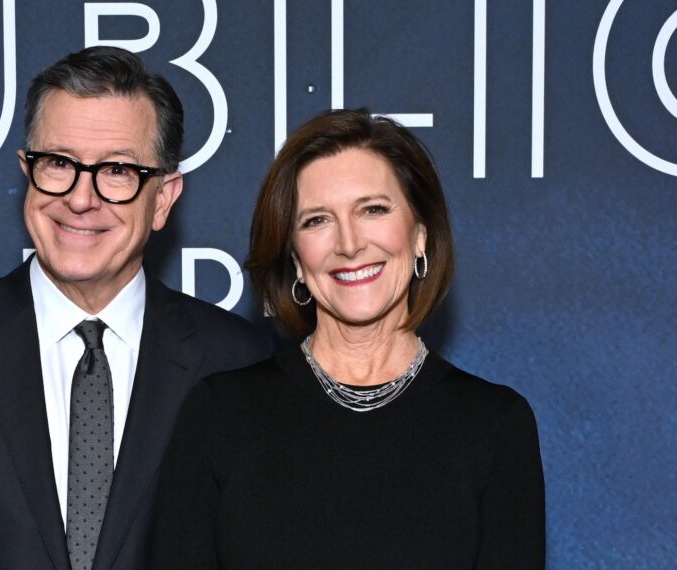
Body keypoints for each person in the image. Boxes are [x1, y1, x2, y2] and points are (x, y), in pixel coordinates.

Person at [0, 46, 274, 570]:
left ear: (164, 198)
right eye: (59, 163)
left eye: (118, 171)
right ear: (26, 170)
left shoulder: (237, 360)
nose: (81, 199)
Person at [151, 109, 545, 569]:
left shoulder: (495, 425)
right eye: (317, 220)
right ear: (296, 258)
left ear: (420, 234)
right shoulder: (220, 414)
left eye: (373, 209)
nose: (350, 243)